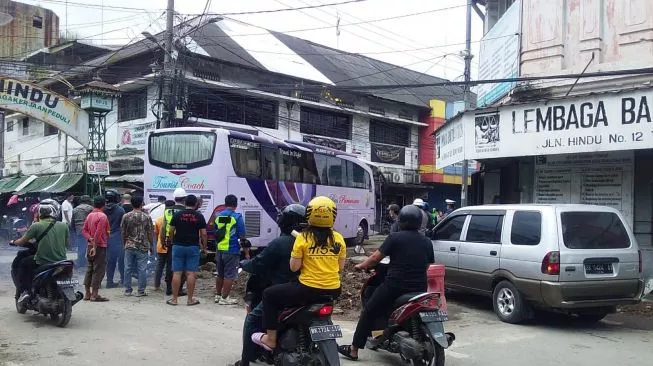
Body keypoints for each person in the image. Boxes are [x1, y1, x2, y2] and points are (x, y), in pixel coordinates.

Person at [338, 205, 435, 361]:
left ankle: (354, 349)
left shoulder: (394, 238)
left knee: (368, 311)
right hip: (419, 288)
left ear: (401, 220)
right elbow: (428, 265)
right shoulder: (426, 241)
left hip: (395, 286)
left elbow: (376, 258)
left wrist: (361, 265)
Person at [251, 196, 345, 351]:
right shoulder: (339, 238)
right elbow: (340, 268)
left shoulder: (303, 238)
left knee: (269, 294)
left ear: (310, 214)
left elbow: (294, 268)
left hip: (308, 289)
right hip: (334, 290)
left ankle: (270, 339)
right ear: (333, 215)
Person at [235, 204, 306, 366]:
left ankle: (245, 361)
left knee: (252, 319)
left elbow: (259, 263)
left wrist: (245, 263)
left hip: (284, 292)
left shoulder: (280, 243)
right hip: (311, 291)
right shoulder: (310, 242)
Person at [11, 199, 69, 305]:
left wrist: (14, 241)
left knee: (24, 263)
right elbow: (66, 244)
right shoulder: (64, 225)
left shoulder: (36, 225)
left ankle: (25, 291)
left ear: (40, 213)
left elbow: (22, 241)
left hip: (43, 260)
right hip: (61, 260)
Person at [166, 194, 207, 306]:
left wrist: (171, 241)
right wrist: (204, 246)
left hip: (178, 246)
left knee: (177, 273)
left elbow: (171, 230)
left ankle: (174, 299)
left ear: (184, 203)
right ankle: (190, 300)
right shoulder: (199, 216)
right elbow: (203, 233)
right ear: (196, 204)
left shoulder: (177, 215)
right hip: (193, 247)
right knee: (190, 273)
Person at [214, 194, 247, 305]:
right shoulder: (237, 217)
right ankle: (225, 298)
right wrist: (246, 252)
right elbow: (242, 236)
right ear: (236, 205)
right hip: (232, 249)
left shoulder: (218, 216)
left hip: (219, 249)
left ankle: (218, 295)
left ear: (225, 203)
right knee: (230, 275)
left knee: (220, 274)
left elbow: (216, 231)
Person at [121, 195, 154, 297]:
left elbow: (123, 232)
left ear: (131, 204)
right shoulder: (147, 217)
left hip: (129, 245)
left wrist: (124, 243)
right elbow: (150, 232)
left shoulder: (126, 216)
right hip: (142, 246)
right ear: (141, 204)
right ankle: (141, 291)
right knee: (142, 269)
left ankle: (127, 290)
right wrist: (151, 245)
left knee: (127, 268)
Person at [82, 196, 111, 302]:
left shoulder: (90, 215)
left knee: (89, 268)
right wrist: (95, 245)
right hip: (99, 246)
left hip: (90, 244)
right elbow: (98, 233)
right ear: (104, 205)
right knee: (98, 270)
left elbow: (84, 230)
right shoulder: (102, 216)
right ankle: (94, 294)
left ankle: (87, 293)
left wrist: (90, 239)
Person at [160, 188, 188, 296]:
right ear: (184, 199)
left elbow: (163, 228)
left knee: (170, 265)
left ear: (174, 198)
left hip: (170, 241)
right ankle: (179, 288)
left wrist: (162, 241)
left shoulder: (168, 210)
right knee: (183, 266)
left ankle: (168, 288)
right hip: (183, 241)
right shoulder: (187, 211)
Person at [104, 189, 126, 288]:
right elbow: (123, 226)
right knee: (121, 260)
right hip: (118, 239)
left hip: (106, 239)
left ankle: (109, 282)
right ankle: (123, 280)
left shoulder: (102, 209)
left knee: (110, 261)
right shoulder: (120, 210)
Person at [154, 200, 175, 292]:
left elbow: (156, 234)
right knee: (170, 266)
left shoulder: (159, 219)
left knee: (159, 265)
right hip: (171, 244)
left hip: (160, 245)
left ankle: (156, 285)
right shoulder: (174, 218)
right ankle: (169, 286)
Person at [71, 195, 93, 268]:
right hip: (89, 231)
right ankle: (90, 263)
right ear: (88, 201)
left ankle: (80, 263)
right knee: (90, 247)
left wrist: (75, 231)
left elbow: (72, 222)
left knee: (81, 248)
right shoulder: (90, 208)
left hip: (79, 231)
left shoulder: (75, 209)